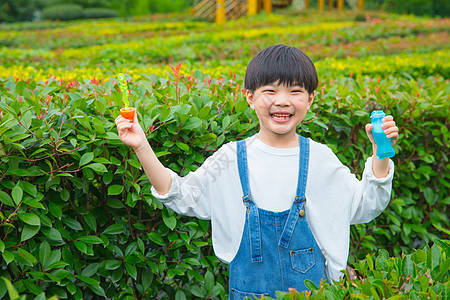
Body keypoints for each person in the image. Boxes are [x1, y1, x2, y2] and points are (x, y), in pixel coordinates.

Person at [115, 44, 399, 299]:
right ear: (250, 98)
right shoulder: (230, 158)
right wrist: (141, 146)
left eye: (295, 91)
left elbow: (364, 204)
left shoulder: (320, 158)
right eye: (270, 91)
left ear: (310, 99)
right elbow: (181, 195)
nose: (283, 101)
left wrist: (380, 153)